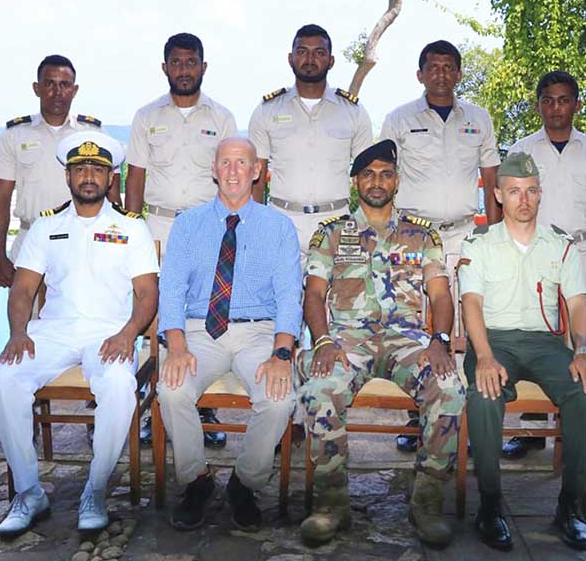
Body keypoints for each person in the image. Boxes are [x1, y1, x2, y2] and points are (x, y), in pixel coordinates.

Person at [0, 132, 158, 536]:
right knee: (3, 379)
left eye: (97, 170)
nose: (88, 176)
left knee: (119, 387)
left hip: (109, 333)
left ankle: (95, 490)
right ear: (67, 176)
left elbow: (148, 293)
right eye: (80, 168)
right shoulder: (46, 226)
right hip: (53, 330)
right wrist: (18, 332)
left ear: (110, 179)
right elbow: (24, 289)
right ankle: (29, 493)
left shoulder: (132, 228)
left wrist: (129, 332)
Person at [299, 140, 465, 548]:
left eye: (385, 174)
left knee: (450, 389)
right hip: (346, 338)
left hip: (406, 338)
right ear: (356, 181)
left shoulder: (422, 236)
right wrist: (321, 341)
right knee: (321, 388)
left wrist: (440, 339)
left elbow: (441, 296)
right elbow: (314, 294)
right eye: (369, 174)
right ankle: (331, 503)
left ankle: (426, 500)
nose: (377, 182)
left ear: (397, 180)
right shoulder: (332, 233)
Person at [459, 152, 586, 551]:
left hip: (544, 344)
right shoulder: (480, 243)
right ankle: (490, 506)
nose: (523, 199)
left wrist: (582, 352)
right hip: (495, 341)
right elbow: (470, 302)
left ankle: (569, 507)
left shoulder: (560, 245)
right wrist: (484, 356)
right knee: (484, 394)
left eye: (530, 191)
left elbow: (577, 303)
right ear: (499, 195)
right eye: (514, 191)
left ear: (540, 194)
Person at [156, 137, 302, 533]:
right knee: (171, 389)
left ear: (257, 171)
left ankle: (244, 482)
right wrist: (177, 346)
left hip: (258, 332)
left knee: (278, 398)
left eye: (242, 163)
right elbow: (170, 288)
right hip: (199, 330)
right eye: (226, 162)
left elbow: (291, 293)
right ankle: (197, 480)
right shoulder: (188, 224)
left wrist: (282, 354)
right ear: (214, 170)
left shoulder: (279, 227)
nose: (234, 170)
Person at [380, 39, 501, 452]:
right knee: (414, 319)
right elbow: (383, 179)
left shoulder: (479, 119)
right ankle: (416, 417)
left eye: (449, 67)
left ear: (459, 74)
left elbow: (491, 178)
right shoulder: (398, 119)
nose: (441, 74)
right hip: (414, 233)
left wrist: (494, 240)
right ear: (420, 74)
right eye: (433, 67)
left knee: (467, 320)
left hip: (465, 232)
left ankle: (459, 414)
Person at [124, 32, 237, 449]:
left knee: (203, 315)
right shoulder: (145, 116)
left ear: (203, 68)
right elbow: (134, 177)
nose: (184, 69)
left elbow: (233, 175)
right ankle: (151, 407)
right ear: (165, 67)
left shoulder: (222, 118)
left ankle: (202, 407)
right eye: (177, 62)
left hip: (208, 229)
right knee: (152, 316)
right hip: (157, 227)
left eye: (192, 62)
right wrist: (134, 232)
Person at [501, 70, 586, 460]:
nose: (556, 108)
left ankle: (572, 434)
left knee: (578, 347)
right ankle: (533, 432)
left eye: (564, 100)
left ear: (577, 104)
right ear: (538, 105)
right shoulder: (522, 150)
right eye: (548, 100)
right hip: (538, 256)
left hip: (583, 257)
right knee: (540, 342)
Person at [0, 54, 120, 289]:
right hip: (30, 242)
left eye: (64, 84)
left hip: (84, 242)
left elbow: (113, 197)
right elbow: (0, 201)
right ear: (36, 88)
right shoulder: (14, 135)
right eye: (49, 83)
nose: (57, 91)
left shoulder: (95, 135)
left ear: (74, 90)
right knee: (25, 321)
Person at [248, 23, 373, 261]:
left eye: (319, 53)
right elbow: (257, 174)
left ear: (331, 60)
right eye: (302, 51)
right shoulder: (268, 110)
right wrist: (257, 225)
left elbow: (368, 175)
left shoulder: (352, 111)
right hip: (282, 222)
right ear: (290, 58)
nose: (310, 59)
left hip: (337, 222)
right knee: (283, 298)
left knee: (337, 298)